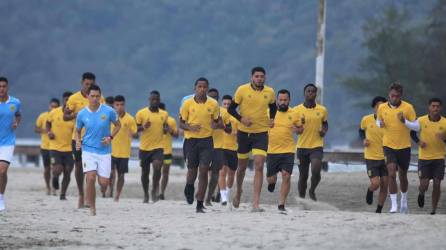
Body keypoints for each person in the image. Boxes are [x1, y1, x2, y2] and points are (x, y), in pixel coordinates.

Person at [228, 66, 276, 212]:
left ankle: (255, 203)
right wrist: (241, 119)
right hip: (243, 134)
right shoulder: (242, 90)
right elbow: (231, 109)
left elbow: (273, 107)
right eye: (256, 76)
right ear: (251, 77)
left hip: (261, 133)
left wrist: (272, 119)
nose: (259, 79)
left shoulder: (270, 92)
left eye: (262, 76)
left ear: (265, 78)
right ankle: (238, 191)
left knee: (259, 165)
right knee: (241, 167)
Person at [75, 84, 120, 215]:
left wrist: (110, 137)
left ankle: (103, 189)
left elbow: (118, 125)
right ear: (87, 97)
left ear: (101, 97)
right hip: (88, 150)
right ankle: (92, 208)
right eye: (92, 96)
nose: (95, 99)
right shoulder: (82, 114)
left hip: (104, 151)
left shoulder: (108, 111)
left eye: (97, 96)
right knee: (90, 177)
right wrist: (78, 141)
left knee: (104, 182)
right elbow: (77, 130)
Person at [64, 72, 105, 208]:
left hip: (94, 139)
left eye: (91, 84)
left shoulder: (99, 98)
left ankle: (89, 196)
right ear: (82, 82)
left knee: (91, 169)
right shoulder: (73, 98)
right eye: (86, 84)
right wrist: (75, 114)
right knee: (79, 165)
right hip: (78, 138)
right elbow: (65, 116)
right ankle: (81, 194)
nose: (88, 87)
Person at [180, 77, 219, 213]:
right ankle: (189, 186)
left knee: (203, 171)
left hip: (207, 141)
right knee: (192, 171)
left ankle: (200, 204)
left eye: (204, 87)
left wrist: (216, 124)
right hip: (191, 141)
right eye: (199, 87)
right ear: (195, 88)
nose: (202, 89)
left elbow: (217, 121)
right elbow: (181, 123)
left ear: (207, 89)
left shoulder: (213, 104)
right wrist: (190, 127)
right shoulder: (187, 104)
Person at [376, 83, 416, 214]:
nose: (394, 98)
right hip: (388, 145)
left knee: (403, 175)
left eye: (397, 96)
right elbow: (378, 120)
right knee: (392, 174)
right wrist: (379, 123)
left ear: (401, 96)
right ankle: (394, 204)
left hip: (404, 147)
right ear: (389, 94)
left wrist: (405, 122)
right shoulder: (382, 107)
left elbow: (416, 127)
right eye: (392, 95)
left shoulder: (408, 107)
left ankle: (404, 200)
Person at [405, 98, 446, 215]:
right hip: (424, 158)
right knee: (424, 184)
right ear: (429, 107)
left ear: (441, 108)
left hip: (439, 158)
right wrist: (418, 142)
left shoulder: (445, 122)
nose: (435, 108)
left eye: (438, 106)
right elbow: (412, 133)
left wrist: (445, 138)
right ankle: (421, 193)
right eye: (433, 106)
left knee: (437, 184)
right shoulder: (421, 120)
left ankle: (433, 209)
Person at [266, 89, 302, 212]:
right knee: (271, 178)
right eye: (280, 100)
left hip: (288, 150)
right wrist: (267, 125)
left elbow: (301, 129)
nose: (282, 102)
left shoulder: (294, 113)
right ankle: (272, 182)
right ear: (276, 100)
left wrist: (297, 130)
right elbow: (259, 126)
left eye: (285, 100)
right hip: (272, 150)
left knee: (286, 176)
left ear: (289, 100)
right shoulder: (269, 112)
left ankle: (281, 205)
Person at [294, 83, 328, 201]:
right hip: (302, 146)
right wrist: (297, 130)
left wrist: (323, 131)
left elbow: (325, 123)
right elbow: (292, 126)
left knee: (316, 169)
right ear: (304, 93)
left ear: (316, 94)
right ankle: (302, 199)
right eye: (308, 91)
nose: (310, 93)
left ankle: (312, 189)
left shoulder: (322, 110)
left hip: (316, 146)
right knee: (303, 176)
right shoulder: (296, 110)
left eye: (313, 91)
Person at [136, 91, 168, 203]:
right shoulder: (141, 113)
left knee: (157, 167)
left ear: (159, 100)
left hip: (158, 147)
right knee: (145, 173)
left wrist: (165, 130)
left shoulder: (164, 114)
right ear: (149, 100)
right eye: (152, 99)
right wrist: (143, 127)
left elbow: (165, 128)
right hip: (144, 148)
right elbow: (136, 130)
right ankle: (145, 194)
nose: (155, 101)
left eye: (157, 99)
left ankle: (154, 190)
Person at [359, 96, 388, 213]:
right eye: (377, 106)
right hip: (371, 157)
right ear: (374, 107)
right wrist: (364, 139)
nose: (380, 108)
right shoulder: (366, 119)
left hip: (386, 157)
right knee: (376, 183)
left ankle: (379, 209)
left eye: (382, 106)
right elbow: (361, 131)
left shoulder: (389, 121)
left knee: (385, 185)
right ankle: (370, 190)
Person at [46, 92, 75, 200]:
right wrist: (49, 132)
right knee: (58, 169)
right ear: (63, 100)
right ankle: (55, 177)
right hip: (55, 147)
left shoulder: (74, 115)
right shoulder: (54, 112)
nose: (68, 102)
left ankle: (63, 194)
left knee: (68, 171)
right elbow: (48, 123)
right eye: (66, 99)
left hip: (69, 149)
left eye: (70, 100)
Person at [109, 95, 137, 202]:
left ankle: (117, 194)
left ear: (124, 105)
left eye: (121, 105)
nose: (119, 107)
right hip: (111, 151)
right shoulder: (110, 117)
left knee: (121, 175)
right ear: (114, 106)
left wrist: (133, 134)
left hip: (124, 152)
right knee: (111, 173)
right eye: (117, 105)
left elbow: (135, 132)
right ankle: (110, 190)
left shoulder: (130, 119)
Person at [0, 77, 21, 211]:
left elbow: (18, 115)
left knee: (2, 171)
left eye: (4, 86)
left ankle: (1, 198)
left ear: (7, 87)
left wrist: (16, 122)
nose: (1, 89)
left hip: (7, 142)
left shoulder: (15, 102)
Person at [35, 98, 60, 195]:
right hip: (45, 146)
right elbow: (36, 129)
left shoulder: (60, 116)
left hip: (56, 147)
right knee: (47, 169)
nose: (53, 108)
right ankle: (48, 187)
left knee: (55, 168)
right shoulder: (43, 116)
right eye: (52, 106)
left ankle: (54, 187)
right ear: (49, 106)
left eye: (55, 106)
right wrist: (46, 131)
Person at [206, 88, 225, 206]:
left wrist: (217, 124)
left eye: (215, 97)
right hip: (205, 145)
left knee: (215, 172)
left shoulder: (222, 111)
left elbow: (225, 126)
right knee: (204, 171)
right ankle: (209, 195)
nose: (213, 99)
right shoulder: (203, 109)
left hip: (218, 146)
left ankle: (215, 193)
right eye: (211, 97)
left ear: (218, 98)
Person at [219, 95, 238, 206]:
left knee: (231, 174)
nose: (226, 106)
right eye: (224, 104)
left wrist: (236, 133)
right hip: (221, 147)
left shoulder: (236, 117)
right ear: (221, 104)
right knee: (222, 172)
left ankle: (228, 192)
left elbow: (241, 131)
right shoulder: (219, 115)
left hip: (233, 148)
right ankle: (223, 196)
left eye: (228, 104)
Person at [159, 102, 179, 200]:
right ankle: (156, 190)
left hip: (167, 152)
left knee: (165, 172)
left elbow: (176, 135)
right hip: (156, 151)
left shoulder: (171, 121)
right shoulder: (152, 120)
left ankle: (162, 192)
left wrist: (170, 130)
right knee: (156, 172)